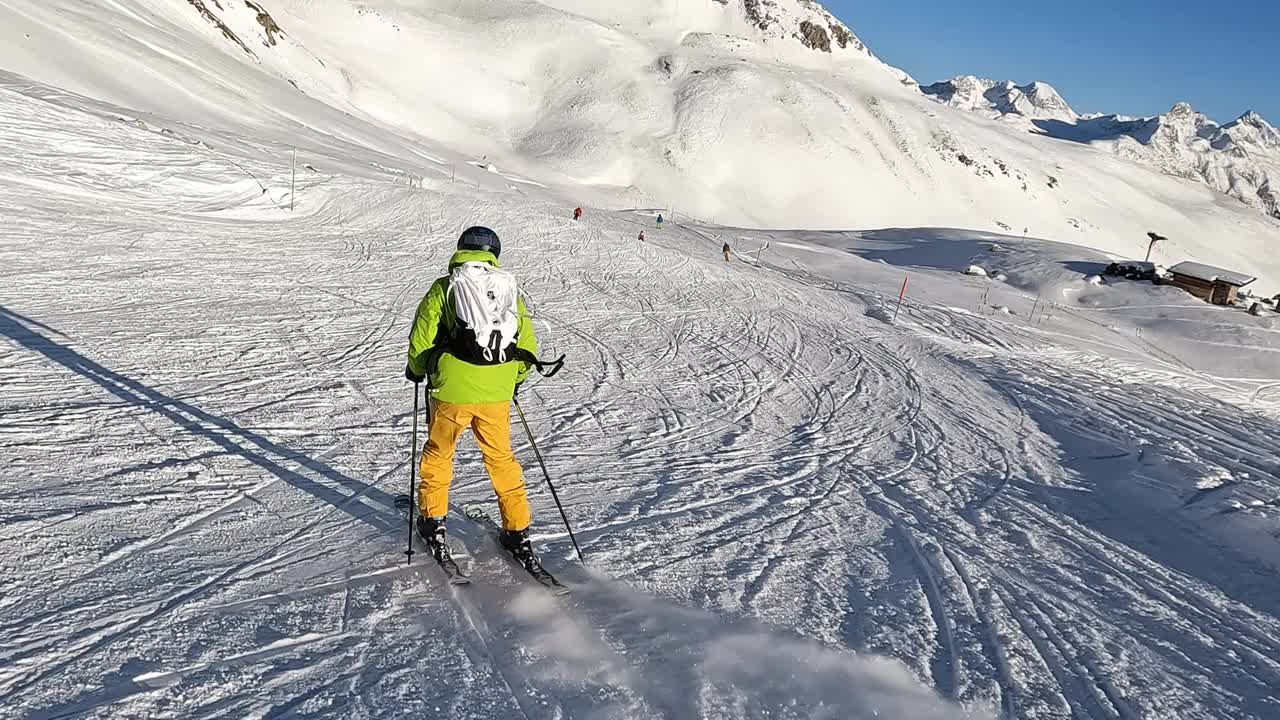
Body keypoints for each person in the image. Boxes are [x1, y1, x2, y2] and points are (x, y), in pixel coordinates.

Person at [404, 226, 543, 573]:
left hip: (452, 389)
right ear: (495, 252)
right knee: (501, 459)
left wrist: (417, 369)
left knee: (439, 455)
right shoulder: (507, 288)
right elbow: (526, 342)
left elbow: (423, 334)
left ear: (461, 248)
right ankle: (517, 529)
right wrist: (512, 380)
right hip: (496, 391)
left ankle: (433, 522)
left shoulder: (446, 286)